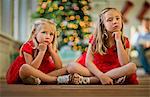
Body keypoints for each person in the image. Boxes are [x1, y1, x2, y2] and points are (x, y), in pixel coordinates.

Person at [66, 8, 139, 85]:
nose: (115, 21)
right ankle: (111, 79)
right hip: (96, 69)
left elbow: (125, 64)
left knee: (132, 66)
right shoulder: (96, 39)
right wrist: (101, 76)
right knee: (71, 66)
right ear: (102, 25)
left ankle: (91, 80)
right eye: (110, 20)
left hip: (115, 70)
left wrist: (118, 40)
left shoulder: (124, 40)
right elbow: (88, 62)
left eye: (117, 18)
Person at [6, 18, 69, 85]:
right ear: (34, 33)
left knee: (69, 67)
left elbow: (59, 67)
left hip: (44, 73)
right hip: (29, 73)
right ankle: (55, 80)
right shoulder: (28, 46)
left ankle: (42, 80)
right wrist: (41, 52)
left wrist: (52, 52)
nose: (48, 37)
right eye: (44, 32)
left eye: (51, 34)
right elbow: (32, 68)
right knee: (25, 68)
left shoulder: (51, 47)